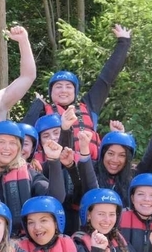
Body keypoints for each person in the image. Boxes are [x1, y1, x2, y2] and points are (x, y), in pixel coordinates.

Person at [22, 24, 132, 160]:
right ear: (51, 92)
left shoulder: (89, 105)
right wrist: (37, 105)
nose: (63, 90)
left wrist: (123, 42)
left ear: (75, 91)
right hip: (55, 166)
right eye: (58, 86)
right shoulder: (42, 112)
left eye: (68, 86)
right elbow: (23, 135)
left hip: (88, 165)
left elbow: (107, 77)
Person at [0, 120, 66, 235]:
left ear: (19, 148)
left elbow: (56, 198)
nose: (7, 148)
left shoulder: (29, 173)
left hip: (27, 238)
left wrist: (54, 160)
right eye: (1, 142)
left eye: (13, 143)